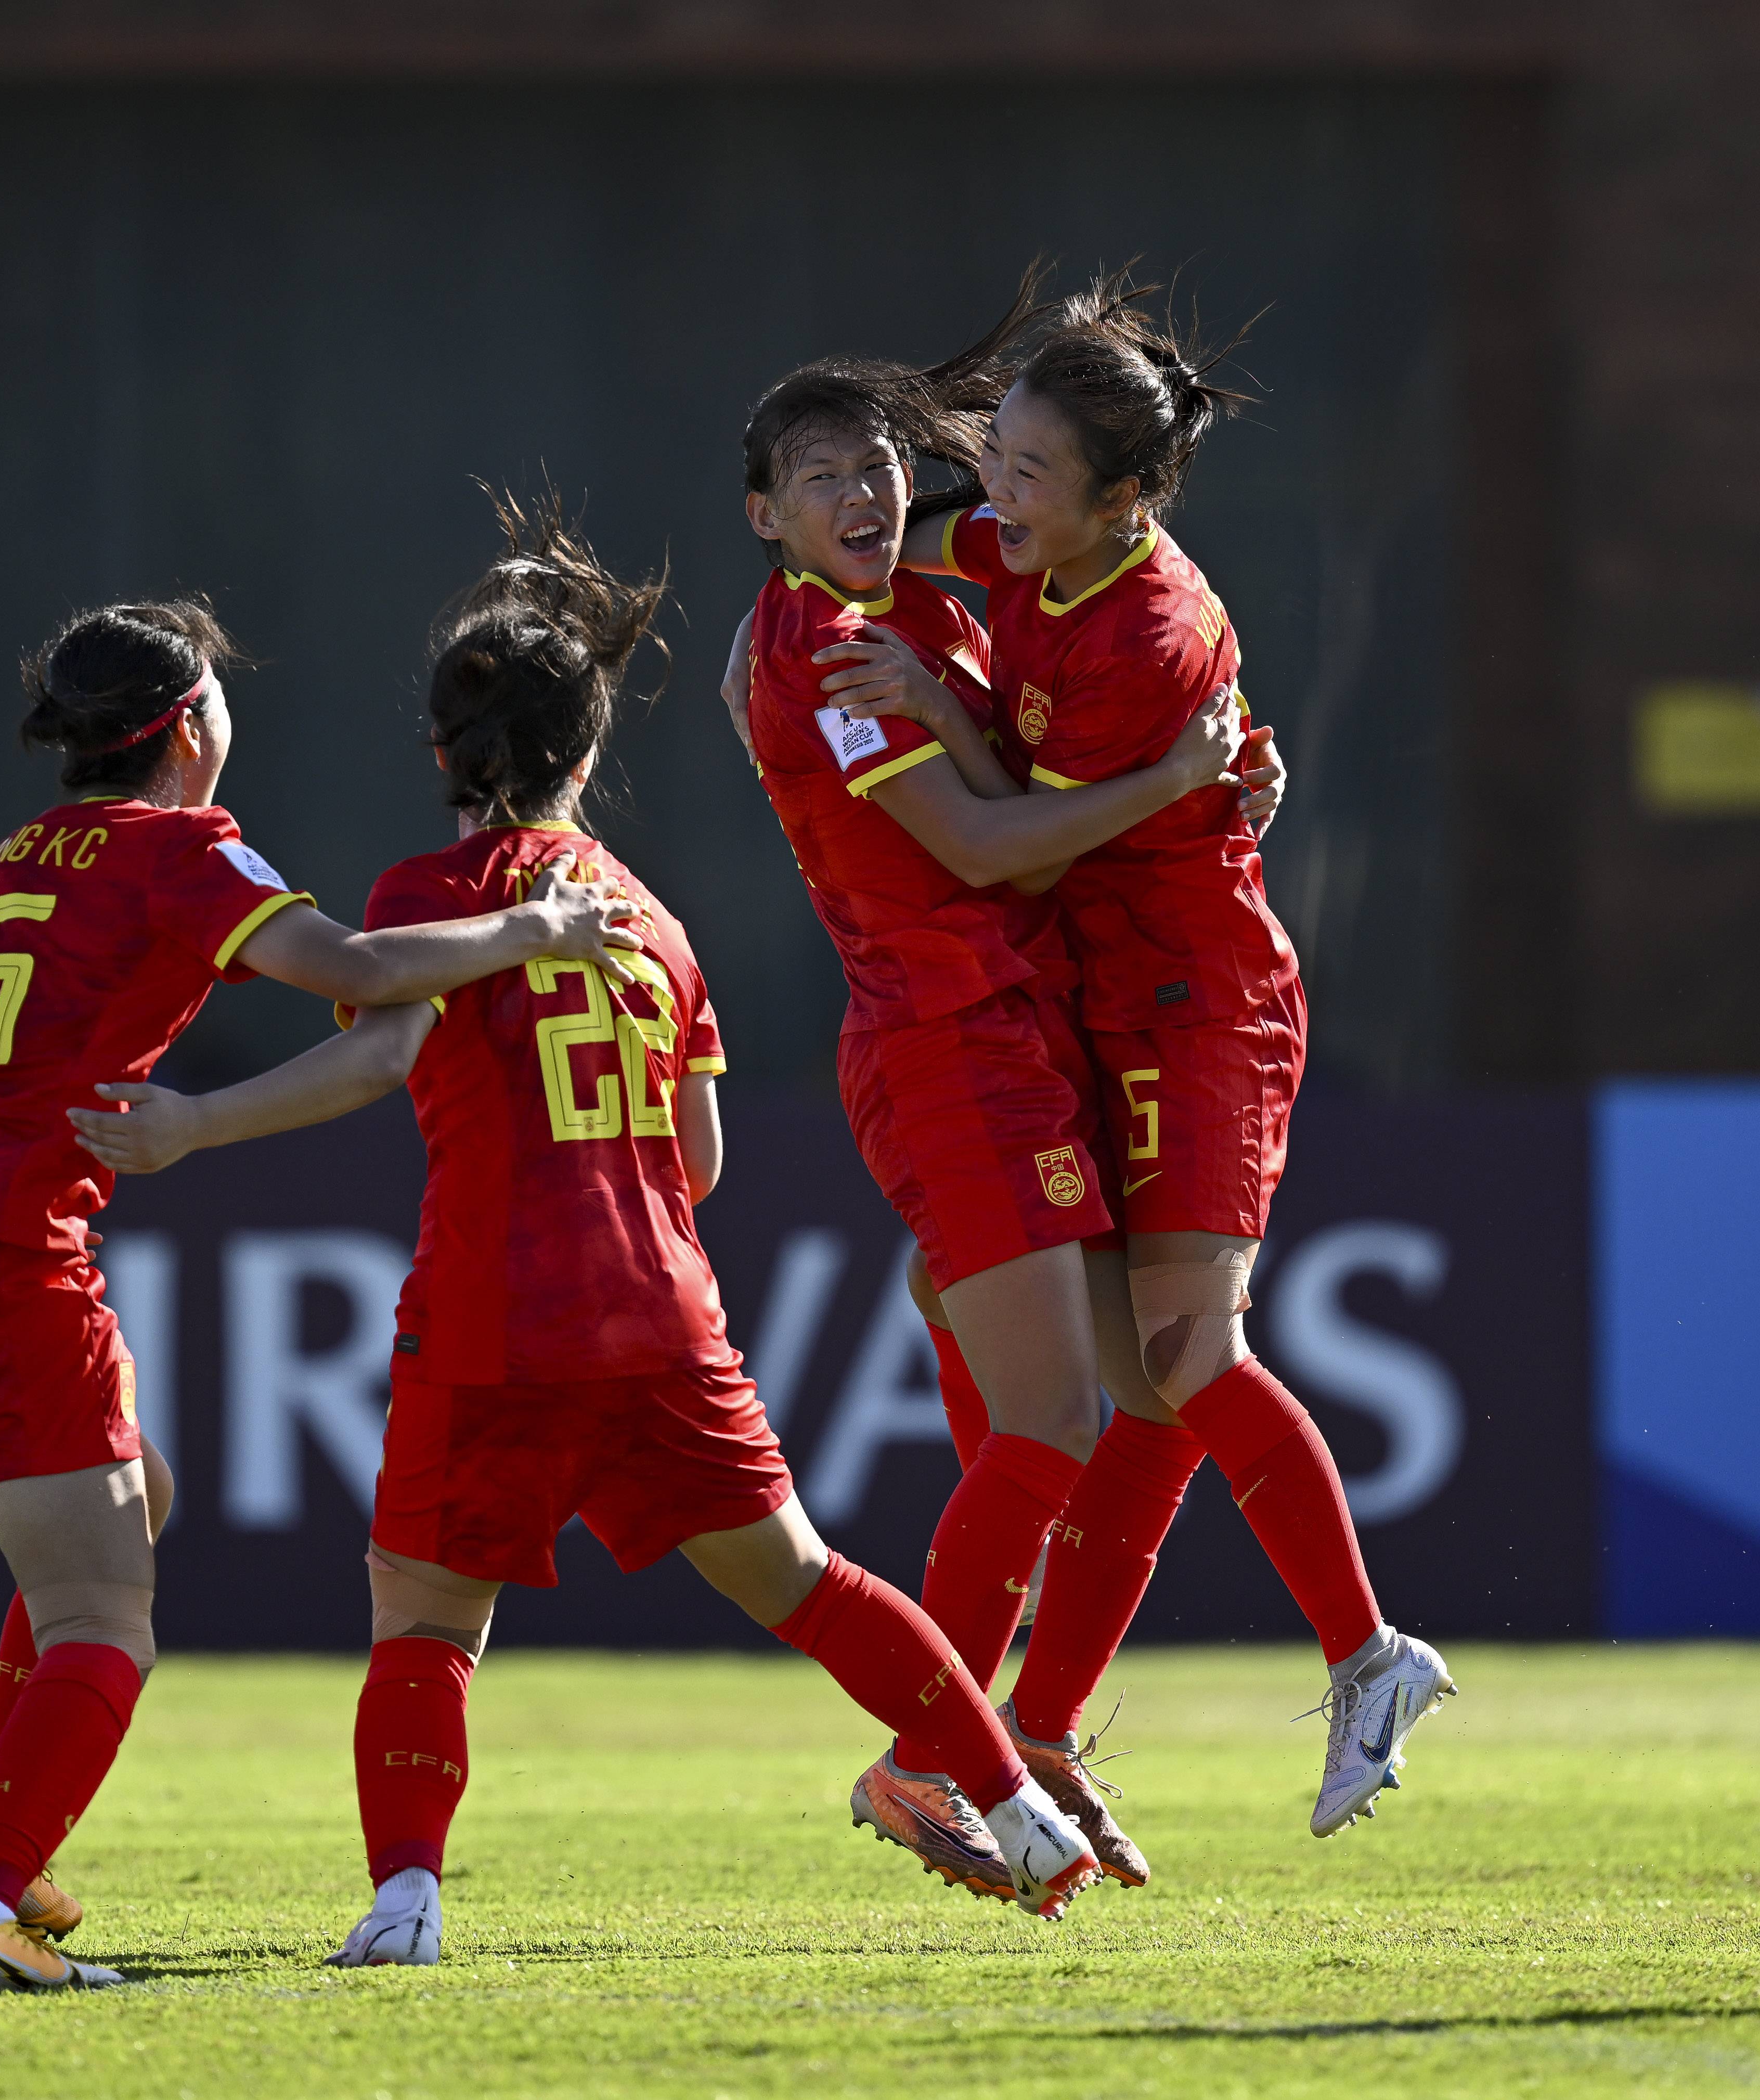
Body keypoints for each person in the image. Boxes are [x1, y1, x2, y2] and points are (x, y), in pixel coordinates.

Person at [65, 491, 1110, 1963]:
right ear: (588, 754)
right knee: (810, 1584)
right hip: (659, 1315)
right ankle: (1016, 1805)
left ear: (442, 754)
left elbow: (372, 1059)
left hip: (493, 1314)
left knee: (426, 1624)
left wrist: (189, 1125)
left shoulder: (425, 899)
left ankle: (406, 1901)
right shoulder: (653, 921)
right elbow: (702, 1158)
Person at [0, 596, 647, 1990]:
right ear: (194, 724)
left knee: (138, 1495)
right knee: (103, 1616)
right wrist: (530, 933)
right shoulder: (183, 848)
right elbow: (364, 973)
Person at [887, 272, 1455, 1857]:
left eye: (1029, 469)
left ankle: (1366, 1654)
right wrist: (820, 559)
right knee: (1097, 1372)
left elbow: (1021, 835)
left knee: (1187, 1357)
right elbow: (922, 545)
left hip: (1194, 1005)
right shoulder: (1041, 548)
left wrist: (926, 699)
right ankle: (1039, 1728)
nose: (994, 488)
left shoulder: (1142, 625)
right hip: (1106, 990)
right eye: (994, 448)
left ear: (1125, 495)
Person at [723, 329, 1246, 1895]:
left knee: (1148, 1410)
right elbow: (985, 847)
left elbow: (1092, 590)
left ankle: (1041, 1730)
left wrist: (1221, 769)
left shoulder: (927, 606)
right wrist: (1172, 781)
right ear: (765, 517)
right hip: (949, 1043)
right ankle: (942, 1756)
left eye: (881, 464)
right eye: (822, 479)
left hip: (1031, 1030)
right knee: (1068, 1422)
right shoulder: (820, 649)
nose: (868, 491)